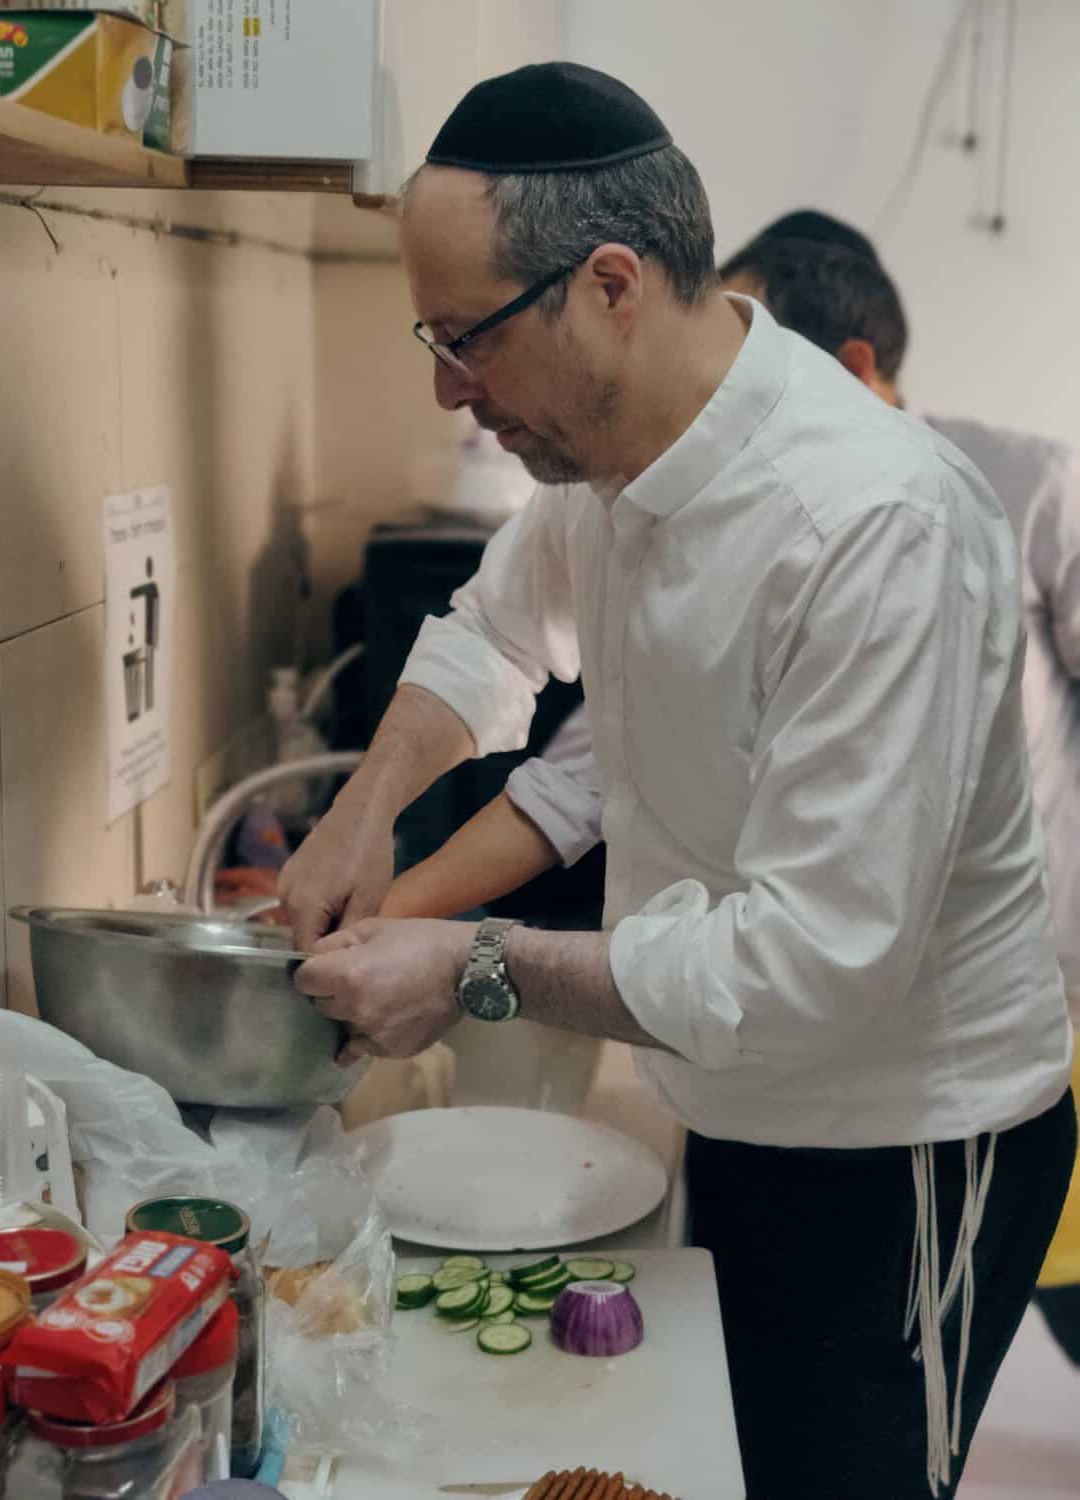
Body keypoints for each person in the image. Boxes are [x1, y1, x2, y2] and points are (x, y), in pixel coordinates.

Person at [279, 63, 1075, 1499]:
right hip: (741, 1097)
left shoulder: (874, 524)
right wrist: (360, 810)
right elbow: (490, 636)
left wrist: (472, 966)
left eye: (467, 338)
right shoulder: (609, 460)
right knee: (744, 1460)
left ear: (608, 286)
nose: (446, 387)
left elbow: (810, 966)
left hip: (903, 1143)